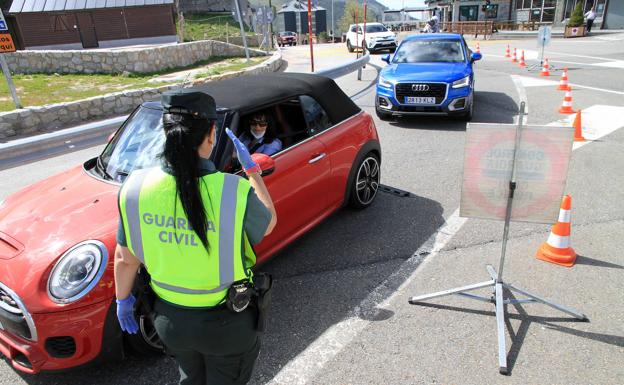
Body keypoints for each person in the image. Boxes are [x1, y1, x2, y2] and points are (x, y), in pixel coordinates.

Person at [114, 89, 277, 385]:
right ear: (211, 134)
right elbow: (269, 223)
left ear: (166, 132)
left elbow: (125, 259)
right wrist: (252, 170)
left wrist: (121, 300)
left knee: (189, 377)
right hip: (226, 325)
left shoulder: (134, 189)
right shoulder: (232, 191)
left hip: (170, 324)